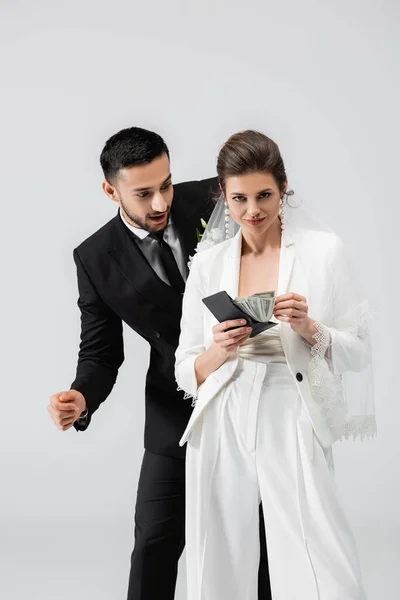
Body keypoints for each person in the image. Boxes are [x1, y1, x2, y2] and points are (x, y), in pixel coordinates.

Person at [47, 127, 272, 600]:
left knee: (265, 541)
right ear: (111, 190)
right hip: (174, 409)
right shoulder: (94, 258)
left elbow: (270, 254)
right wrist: (81, 396)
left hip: (250, 394)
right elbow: (101, 352)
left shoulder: (213, 200)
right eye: (143, 192)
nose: (160, 203)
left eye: (166, 185)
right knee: (154, 541)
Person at [175, 130, 376, 599]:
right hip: (223, 410)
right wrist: (217, 351)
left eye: (264, 195)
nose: (252, 211)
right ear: (222, 196)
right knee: (216, 553)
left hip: (292, 408)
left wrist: (310, 327)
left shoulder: (323, 251)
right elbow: (186, 367)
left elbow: (360, 352)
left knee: (318, 550)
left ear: (283, 186)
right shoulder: (208, 264)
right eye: (239, 198)